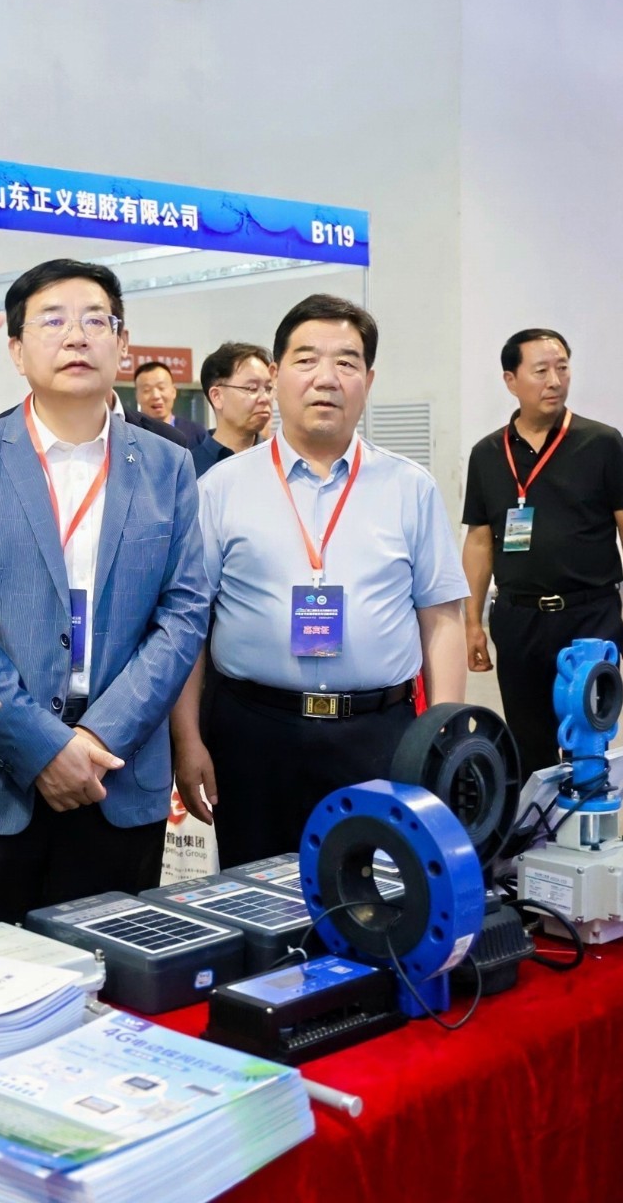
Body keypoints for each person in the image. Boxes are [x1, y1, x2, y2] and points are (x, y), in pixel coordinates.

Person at [0, 258, 210, 931]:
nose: (76, 336)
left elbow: (184, 612)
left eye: (95, 321)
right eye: (52, 321)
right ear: (16, 351)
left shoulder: (167, 466)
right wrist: (44, 747)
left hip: (117, 772)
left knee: (115, 977)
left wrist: (100, 736)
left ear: (122, 344)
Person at [171, 294, 468, 868]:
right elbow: (189, 626)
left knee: (379, 895)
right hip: (252, 735)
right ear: (277, 375)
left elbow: (441, 620)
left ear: (368, 380)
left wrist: (444, 737)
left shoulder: (410, 488)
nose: (326, 378)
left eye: (346, 362)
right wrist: (188, 741)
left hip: (378, 735)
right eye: (306, 360)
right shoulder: (220, 489)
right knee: (256, 898)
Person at [462, 328, 623, 772]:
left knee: (588, 739)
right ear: (511, 380)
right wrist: (471, 622)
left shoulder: (601, 443)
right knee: (529, 746)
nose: (555, 381)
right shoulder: (487, 453)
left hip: (590, 616)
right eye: (541, 371)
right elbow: (479, 541)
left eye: (562, 368)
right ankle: (540, 819)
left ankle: (586, 815)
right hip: (518, 619)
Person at [190, 341, 274, 478]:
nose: (265, 398)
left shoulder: (282, 459)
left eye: (268, 388)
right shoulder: (190, 469)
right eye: (252, 388)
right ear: (217, 396)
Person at [134, 359, 208, 447]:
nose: (156, 396)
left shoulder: (197, 433)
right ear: (137, 396)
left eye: (161, 388)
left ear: (173, 391)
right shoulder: (130, 433)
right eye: (147, 390)